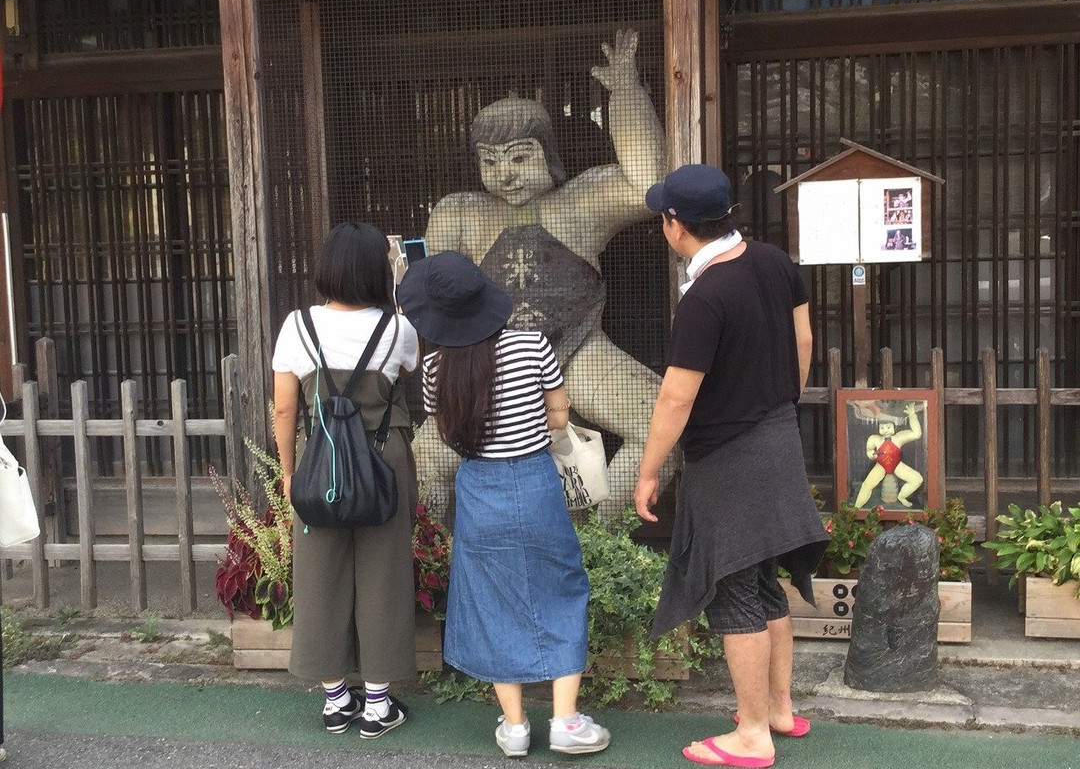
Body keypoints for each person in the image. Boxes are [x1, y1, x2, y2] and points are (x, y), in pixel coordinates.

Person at [420, 28, 670, 519]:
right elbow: (434, 296)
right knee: (426, 455)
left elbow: (649, 184)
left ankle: (601, 545)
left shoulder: (581, 200)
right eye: (490, 162)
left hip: (578, 350)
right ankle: (439, 565)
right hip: (489, 359)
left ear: (548, 152)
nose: (505, 175)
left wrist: (625, 92)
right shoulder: (460, 212)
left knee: (664, 423)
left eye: (520, 156)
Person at [633, 165, 828, 768]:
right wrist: (778, 404)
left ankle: (751, 733)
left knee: (733, 589)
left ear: (674, 225)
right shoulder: (774, 262)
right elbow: (803, 344)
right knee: (763, 580)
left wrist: (648, 472)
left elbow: (676, 397)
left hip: (728, 456)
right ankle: (777, 708)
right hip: (778, 438)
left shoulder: (704, 296)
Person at [397, 251, 611, 758]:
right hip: (535, 480)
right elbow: (559, 417)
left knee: (489, 597)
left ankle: (515, 728)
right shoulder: (532, 343)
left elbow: (448, 433)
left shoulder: (433, 367)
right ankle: (565, 720)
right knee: (561, 586)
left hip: (478, 489)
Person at [271, 222, 419, 738]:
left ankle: (336, 699)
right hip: (385, 458)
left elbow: (286, 408)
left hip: (322, 460)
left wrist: (288, 473)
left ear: (327, 267)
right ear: (377, 269)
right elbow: (403, 385)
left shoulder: (296, 326)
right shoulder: (399, 330)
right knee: (385, 570)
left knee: (319, 571)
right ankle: (378, 704)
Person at [853, 402, 924, 508]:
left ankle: (902, 496)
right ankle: (856, 508)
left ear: (894, 427)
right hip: (881, 466)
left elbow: (917, 434)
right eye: (882, 428)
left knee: (917, 479)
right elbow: (869, 450)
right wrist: (872, 455)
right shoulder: (875, 439)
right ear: (878, 429)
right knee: (866, 485)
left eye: (888, 427)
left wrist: (912, 415)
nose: (885, 430)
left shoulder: (899, 438)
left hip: (897, 465)